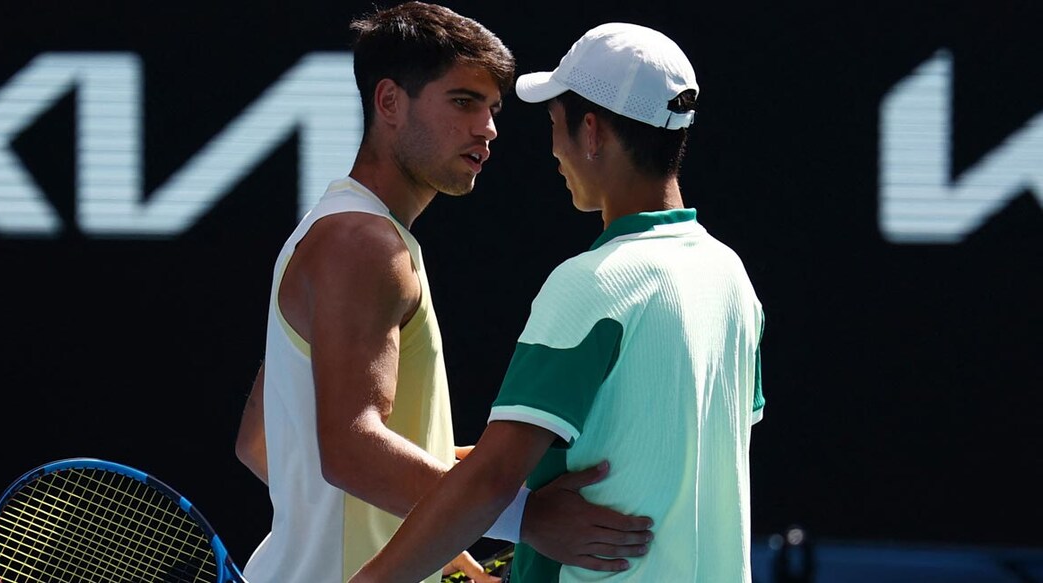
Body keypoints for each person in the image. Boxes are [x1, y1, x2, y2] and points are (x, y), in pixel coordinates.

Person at [234, 5, 656, 582]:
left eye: (493, 108)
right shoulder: (363, 244)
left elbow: (264, 442)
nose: (487, 128)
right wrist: (526, 516)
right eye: (463, 102)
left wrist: (454, 559)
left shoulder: (345, 230)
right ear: (389, 103)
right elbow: (352, 451)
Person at [349, 22, 766, 583]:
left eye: (555, 126)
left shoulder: (592, 284)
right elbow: (648, 452)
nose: (554, 151)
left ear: (591, 133)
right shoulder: (730, 277)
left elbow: (492, 483)